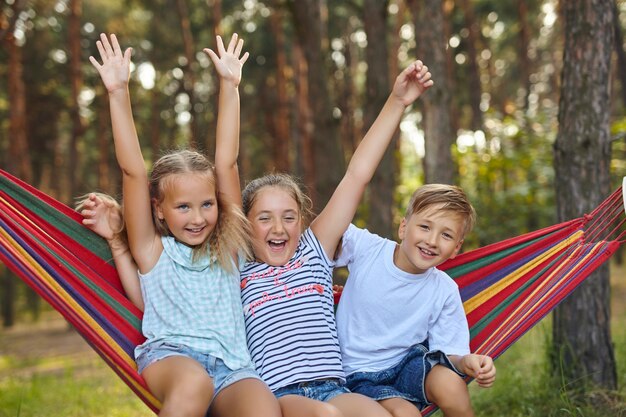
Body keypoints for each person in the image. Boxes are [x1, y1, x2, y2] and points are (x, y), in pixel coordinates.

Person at [88, 33, 281, 417]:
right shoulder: (152, 250)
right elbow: (132, 170)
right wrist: (118, 91)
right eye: (183, 207)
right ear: (158, 210)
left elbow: (226, 162)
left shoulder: (229, 248)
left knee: (263, 408)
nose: (198, 217)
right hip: (173, 358)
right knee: (194, 384)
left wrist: (230, 86)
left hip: (233, 369)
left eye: (207, 204)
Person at [238, 60, 434, 417]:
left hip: (333, 387)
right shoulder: (239, 268)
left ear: (303, 222)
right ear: (245, 225)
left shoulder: (313, 251)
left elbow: (357, 175)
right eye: (264, 219)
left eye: (289, 217)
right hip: (280, 397)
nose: (278, 229)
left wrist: (397, 101)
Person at [334, 184, 497, 417]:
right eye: (424, 227)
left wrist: (467, 361)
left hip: (409, 366)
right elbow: (319, 241)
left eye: (446, 235)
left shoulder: (445, 290)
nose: (432, 240)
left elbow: (450, 352)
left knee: (451, 385)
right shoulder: (366, 248)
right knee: (406, 413)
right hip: (357, 375)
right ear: (403, 227)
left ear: (456, 248)